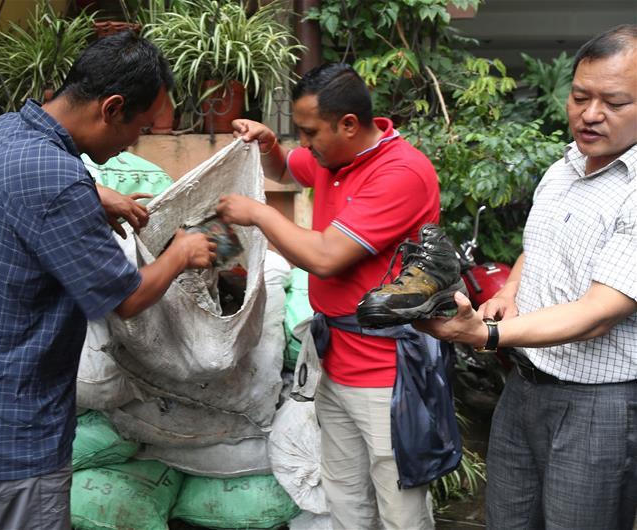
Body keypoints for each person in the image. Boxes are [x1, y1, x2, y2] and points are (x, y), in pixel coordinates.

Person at [0, 32, 216, 530]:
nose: (134, 142)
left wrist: (94, 192)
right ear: (112, 107)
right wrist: (182, 253)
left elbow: (35, 184)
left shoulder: (1, 133)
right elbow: (128, 298)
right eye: (138, 127)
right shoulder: (58, 182)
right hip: (22, 432)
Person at [415, 24, 637, 530]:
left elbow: (597, 315)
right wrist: (511, 291)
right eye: (580, 96)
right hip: (524, 387)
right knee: (507, 521)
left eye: (614, 102)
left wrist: (485, 334)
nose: (590, 114)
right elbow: (538, 248)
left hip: (598, 404)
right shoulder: (562, 169)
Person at [216, 63, 440, 529]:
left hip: (387, 373)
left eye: (308, 131)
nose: (305, 142)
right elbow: (285, 168)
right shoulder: (331, 159)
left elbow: (325, 256)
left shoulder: (401, 172)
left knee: (399, 504)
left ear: (349, 125)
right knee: (344, 496)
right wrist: (267, 144)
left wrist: (258, 213)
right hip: (336, 361)